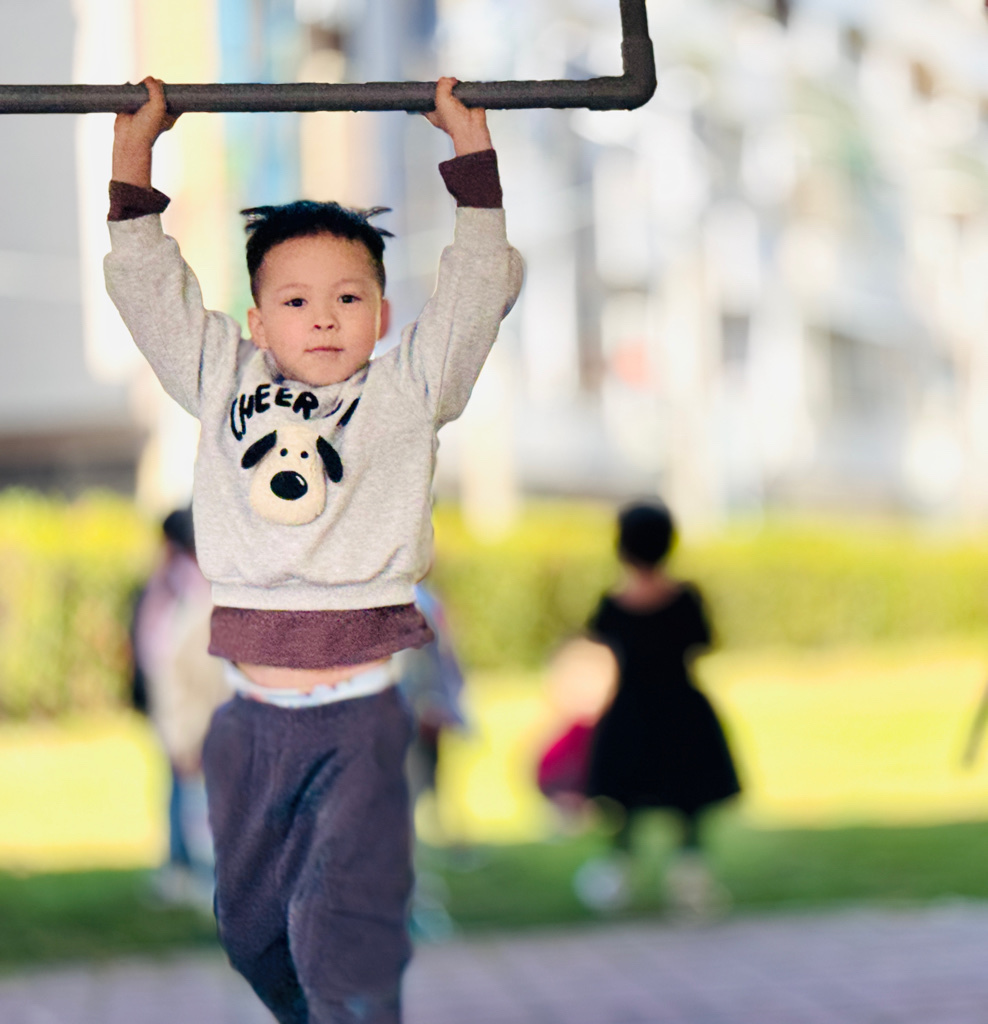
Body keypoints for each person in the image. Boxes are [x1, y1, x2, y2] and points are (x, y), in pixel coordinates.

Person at [105, 76, 523, 1024]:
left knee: (345, 932)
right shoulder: (221, 376)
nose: (324, 317)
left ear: (382, 314)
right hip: (251, 722)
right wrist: (136, 151)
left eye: (348, 297)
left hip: (359, 721)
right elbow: (149, 288)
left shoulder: (410, 390)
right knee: (252, 929)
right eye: (296, 300)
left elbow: (476, 288)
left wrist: (470, 150)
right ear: (258, 322)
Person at [574, 501, 741, 916]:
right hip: (682, 713)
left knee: (623, 807)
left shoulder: (613, 605)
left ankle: (618, 881)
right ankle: (690, 882)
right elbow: (703, 643)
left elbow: (597, 651)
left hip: (631, 714)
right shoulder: (686, 600)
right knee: (689, 804)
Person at [131, 508, 231, 910]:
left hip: (195, 713)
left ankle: (192, 871)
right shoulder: (178, 585)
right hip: (185, 711)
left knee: (198, 799)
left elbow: (177, 666)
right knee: (190, 797)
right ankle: (185, 869)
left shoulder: (187, 589)